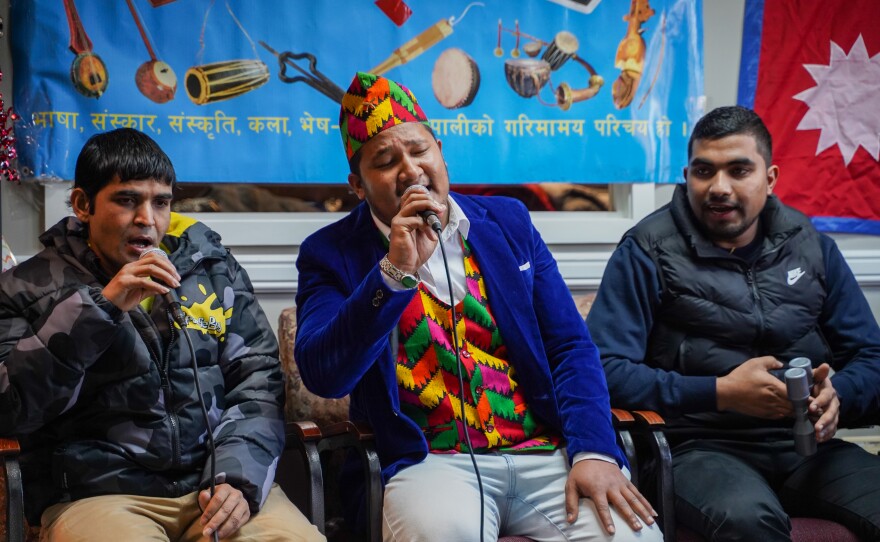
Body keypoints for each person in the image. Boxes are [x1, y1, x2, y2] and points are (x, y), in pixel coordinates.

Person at [293, 71, 662, 542]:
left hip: (544, 452)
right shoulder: (329, 252)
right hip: (428, 463)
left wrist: (594, 450)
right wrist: (393, 271)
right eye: (385, 161)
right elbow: (325, 373)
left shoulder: (508, 222)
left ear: (441, 151)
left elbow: (570, 347)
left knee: (633, 537)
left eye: (419, 150)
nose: (409, 170)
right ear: (358, 186)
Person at [0, 128, 324, 542]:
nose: (147, 220)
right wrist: (103, 308)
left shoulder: (212, 270)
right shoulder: (25, 288)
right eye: (127, 200)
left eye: (161, 202)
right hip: (99, 495)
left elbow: (257, 383)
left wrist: (238, 479)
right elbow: (9, 407)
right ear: (83, 205)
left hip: (215, 483)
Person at [587, 105, 880, 540]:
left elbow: (871, 356)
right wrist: (721, 393)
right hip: (696, 448)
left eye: (739, 170)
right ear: (688, 175)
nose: (718, 187)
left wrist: (840, 395)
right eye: (704, 171)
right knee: (749, 522)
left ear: (771, 178)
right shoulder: (646, 250)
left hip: (804, 445)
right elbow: (602, 372)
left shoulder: (812, 248)